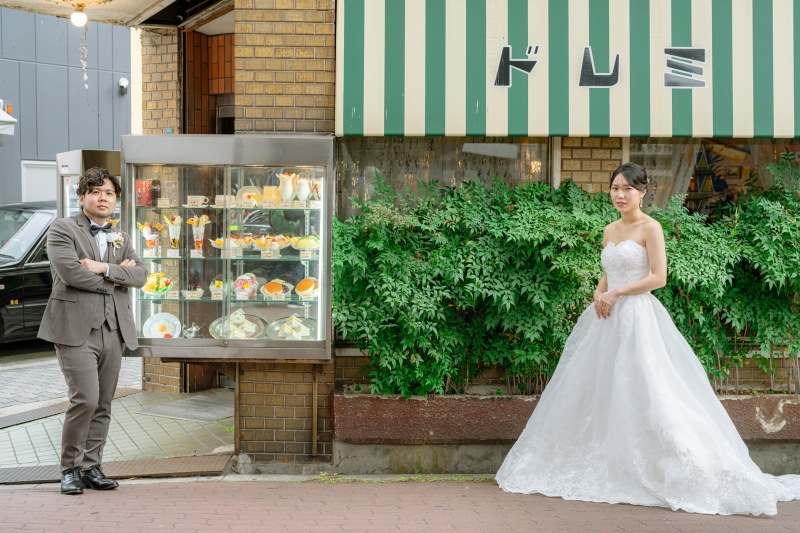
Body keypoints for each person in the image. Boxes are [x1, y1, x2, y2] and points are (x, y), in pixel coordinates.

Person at [495, 162, 800, 515]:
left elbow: (659, 277)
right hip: (605, 319)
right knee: (598, 390)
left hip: (638, 317)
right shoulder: (609, 229)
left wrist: (618, 292)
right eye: (615, 188)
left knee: (648, 388)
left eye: (627, 189)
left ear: (643, 192)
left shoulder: (650, 228)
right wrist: (599, 293)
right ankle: (608, 459)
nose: (620, 195)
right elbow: (606, 272)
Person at [38, 167, 147, 495]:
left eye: (110, 193)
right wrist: (117, 278)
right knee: (84, 399)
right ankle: (69, 468)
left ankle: (91, 467)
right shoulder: (62, 229)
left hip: (113, 329)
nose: (103, 198)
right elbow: (72, 274)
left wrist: (103, 268)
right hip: (74, 329)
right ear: (82, 196)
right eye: (96, 191)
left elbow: (141, 275)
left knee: (103, 402)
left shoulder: (121, 236)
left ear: (116, 200)